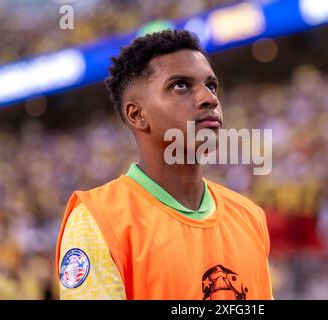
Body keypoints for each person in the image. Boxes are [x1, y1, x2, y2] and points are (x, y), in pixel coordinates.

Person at [55, 29, 273, 300]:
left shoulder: (249, 216)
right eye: (181, 85)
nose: (210, 98)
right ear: (137, 115)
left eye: (211, 85)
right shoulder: (97, 221)